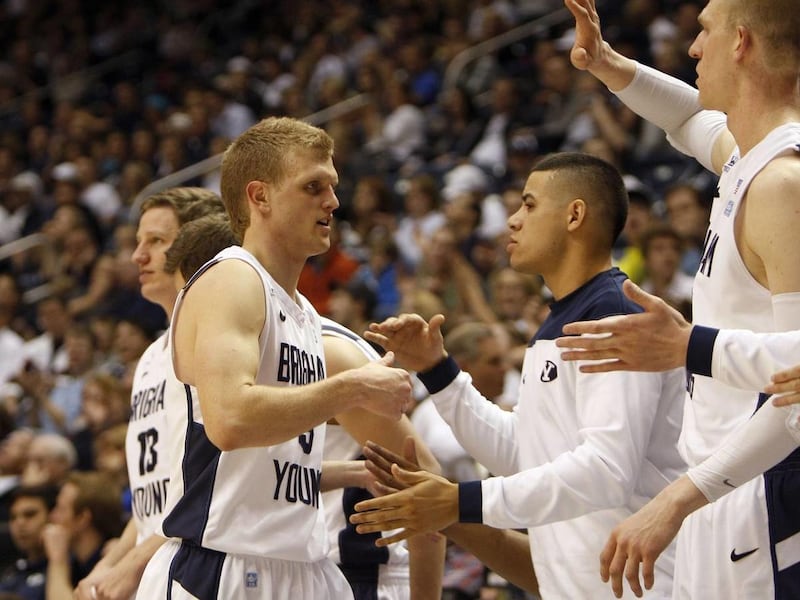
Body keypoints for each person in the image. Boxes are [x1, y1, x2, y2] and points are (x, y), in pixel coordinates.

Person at [350, 152, 686, 599]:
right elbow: (527, 452)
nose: (512, 220)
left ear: (575, 215)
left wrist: (462, 501)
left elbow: (607, 469)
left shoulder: (616, 315)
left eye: (528, 205)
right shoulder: (558, 322)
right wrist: (439, 373)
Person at [561, 0, 800, 597]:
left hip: (758, 488)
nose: (693, 49)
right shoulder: (750, 158)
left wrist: (687, 346)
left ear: (740, 42)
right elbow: (693, 121)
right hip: (720, 486)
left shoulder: (782, 186)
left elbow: (799, 387)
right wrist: (609, 65)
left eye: (704, 32)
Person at [135, 116, 413, 600]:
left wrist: (350, 472)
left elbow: (262, 462)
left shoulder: (300, 310)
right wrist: (354, 387)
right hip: (225, 565)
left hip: (300, 559)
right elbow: (231, 421)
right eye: (313, 187)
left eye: (332, 186)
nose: (333, 202)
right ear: (259, 196)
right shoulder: (232, 279)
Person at [164, 207, 446, 599]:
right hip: (297, 567)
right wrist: (354, 473)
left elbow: (426, 484)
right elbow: (275, 473)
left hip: (365, 574)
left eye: (190, 293)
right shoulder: (257, 352)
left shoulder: (330, 352)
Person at [556, 280, 800, 596]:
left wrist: (689, 344)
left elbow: (791, 380)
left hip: (746, 484)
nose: (513, 226)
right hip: (708, 487)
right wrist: (687, 340)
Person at [74, 187, 226, 600]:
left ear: (194, 248)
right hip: (156, 561)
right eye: (138, 242)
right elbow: (151, 500)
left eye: (156, 242)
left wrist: (132, 564)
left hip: (203, 563)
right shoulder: (149, 359)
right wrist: (107, 566)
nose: (137, 256)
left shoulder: (215, 342)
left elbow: (219, 480)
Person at [0, 484, 58, 600]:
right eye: (13, 517)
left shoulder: (69, 567)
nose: (20, 523)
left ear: (53, 516)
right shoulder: (11, 570)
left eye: (30, 515)